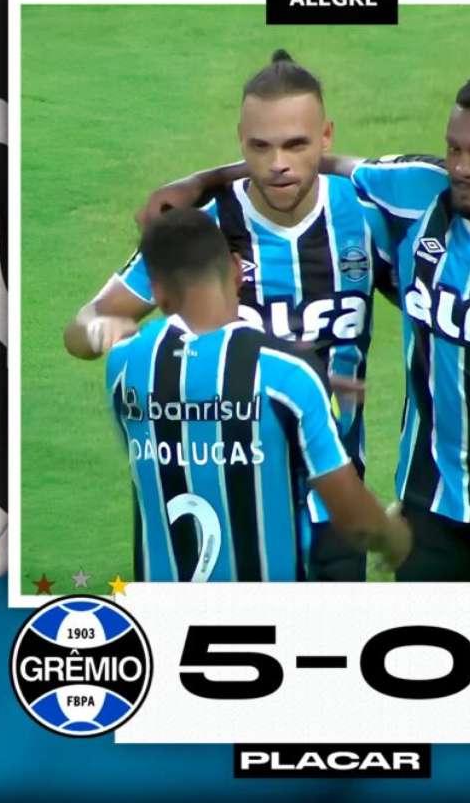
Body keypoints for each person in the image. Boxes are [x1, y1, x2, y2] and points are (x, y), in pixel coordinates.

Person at [142, 69, 470, 587]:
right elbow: (310, 160)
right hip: (428, 507)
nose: (462, 168)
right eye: (454, 149)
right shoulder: (418, 190)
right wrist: (202, 182)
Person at [65, 50, 397, 581]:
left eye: (296, 144)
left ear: (326, 137)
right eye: (260, 147)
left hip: (334, 497)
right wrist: (131, 338)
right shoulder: (204, 228)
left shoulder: (365, 217)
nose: (277, 163)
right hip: (228, 497)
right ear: (241, 141)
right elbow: (81, 331)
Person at [105, 208, 411, 582]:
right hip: (266, 604)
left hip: (161, 602)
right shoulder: (287, 375)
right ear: (237, 269)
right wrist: (396, 538)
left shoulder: (123, 364)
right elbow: (355, 520)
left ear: (157, 291)